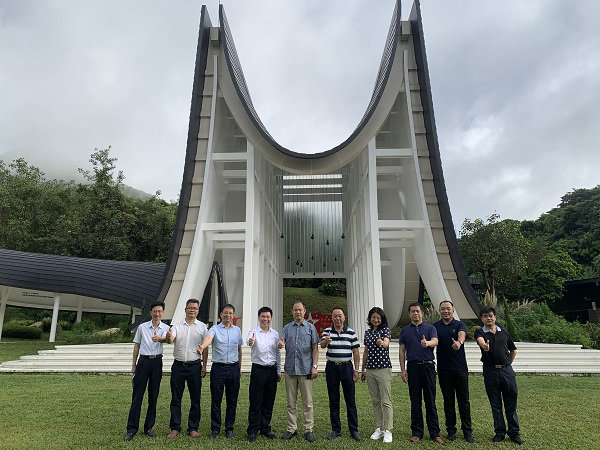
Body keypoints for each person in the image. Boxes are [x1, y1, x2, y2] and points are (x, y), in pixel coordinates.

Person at [474, 307, 522, 445]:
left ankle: (514, 433)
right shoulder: (480, 332)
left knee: (511, 404)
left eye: (490, 316)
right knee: (495, 404)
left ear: (495, 317)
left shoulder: (503, 332)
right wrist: (484, 346)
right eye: (485, 316)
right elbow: (480, 341)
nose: (488, 318)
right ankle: (500, 432)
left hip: (507, 371)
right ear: (482, 319)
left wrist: (508, 364)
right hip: (490, 372)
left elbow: (513, 350)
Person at [399, 302, 444, 444]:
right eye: (412, 311)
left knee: (430, 400)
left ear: (422, 313)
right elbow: (402, 350)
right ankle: (417, 432)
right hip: (413, 367)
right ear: (409, 314)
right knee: (415, 401)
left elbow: (436, 341)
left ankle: (435, 433)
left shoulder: (430, 328)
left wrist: (428, 343)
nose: (415, 313)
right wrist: (403, 370)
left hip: (428, 367)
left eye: (417, 311)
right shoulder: (405, 330)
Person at [124, 301, 170, 441]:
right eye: (155, 311)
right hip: (143, 362)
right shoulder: (142, 327)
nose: (157, 314)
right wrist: (134, 365)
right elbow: (136, 346)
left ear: (163, 313)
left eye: (159, 311)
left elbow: (169, 340)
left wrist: (161, 338)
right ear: (151, 312)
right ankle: (132, 429)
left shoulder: (166, 328)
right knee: (137, 396)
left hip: (157, 362)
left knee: (153, 396)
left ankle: (148, 428)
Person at [198, 303, 243, 439]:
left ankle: (229, 428)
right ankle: (215, 428)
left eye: (230, 313)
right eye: (225, 313)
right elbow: (209, 339)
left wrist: (239, 367)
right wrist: (202, 347)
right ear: (221, 314)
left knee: (232, 400)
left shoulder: (237, 330)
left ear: (233, 315)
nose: (228, 315)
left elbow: (239, 349)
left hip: (233, 368)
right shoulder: (214, 329)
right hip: (218, 369)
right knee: (216, 400)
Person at [166, 298, 208, 439]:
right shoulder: (177, 326)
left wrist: (204, 365)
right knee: (175, 398)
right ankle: (175, 427)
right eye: (190, 308)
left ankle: (193, 427)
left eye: (195, 308)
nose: (192, 310)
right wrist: (169, 337)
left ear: (198, 311)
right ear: (185, 310)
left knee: (195, 398)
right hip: (178, 366)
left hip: (195, 366)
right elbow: (171, 339)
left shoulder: (202, 327)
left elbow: (205, 347)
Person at [433, 300, 475, 443]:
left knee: (464, 402)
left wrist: (459, 342)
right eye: (443, 309)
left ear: (453, 310)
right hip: (444, 370)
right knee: (448, 401)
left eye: (448, 309)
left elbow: (462, 334)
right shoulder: (435, 326)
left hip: (460, 369)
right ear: (439, 310)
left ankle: (467, 432)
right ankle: (451, 430)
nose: (446, 311)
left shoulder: (459, 324)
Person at [278, 301, 319, 443]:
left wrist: (314, 366)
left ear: (304, 311)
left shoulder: (311, 328)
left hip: (306, 369)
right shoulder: (286, 328)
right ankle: (291, 429)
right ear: (292, 312)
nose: (298, 312)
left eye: (300, 310)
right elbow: (281, 343)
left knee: (308, 402)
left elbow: (315, 349)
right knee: (291, 402)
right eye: (295, 310)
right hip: (290, 370)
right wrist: (280, 345)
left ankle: (308, 429)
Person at [320, 307, 361, 441]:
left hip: (347, 368)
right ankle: (336, 430)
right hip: (332, 368)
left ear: (344, 317)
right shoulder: (327, 331)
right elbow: (322, 345)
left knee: (350, 400)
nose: (337, 318)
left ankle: (353, 430)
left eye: (340, 316)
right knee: (333, 399)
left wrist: (356, 370)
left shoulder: (351, 332)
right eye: (335, 316)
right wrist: (326, 341)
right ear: (332, 318)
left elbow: (356, 352)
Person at [246, 306, 281, 442]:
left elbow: (277, 353)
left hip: (271, 370)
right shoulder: (253, 332)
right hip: (258, 370)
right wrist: (250, 341)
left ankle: (265, 428)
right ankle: (253, 429)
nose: (265, 319)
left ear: (271, 318)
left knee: (268, 401)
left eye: (268, 317)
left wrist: (278, 371)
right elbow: (249, 341)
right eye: (263, 316)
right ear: (259, 318)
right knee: (255, 401)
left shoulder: (275, 334)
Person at [361, 306, 393, 443]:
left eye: (378, 318)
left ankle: (388, 430)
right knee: (375, 400)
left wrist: (382, 343)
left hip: (383, 368)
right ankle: (380, 427)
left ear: (382, 319)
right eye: (373, 317)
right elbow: (366, 352)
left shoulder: (385, 330)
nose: (376, 320)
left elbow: (386, 343)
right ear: (370, 319)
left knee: (386, 400)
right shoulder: (368, 333)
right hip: (370, 369)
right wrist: (363, 369)